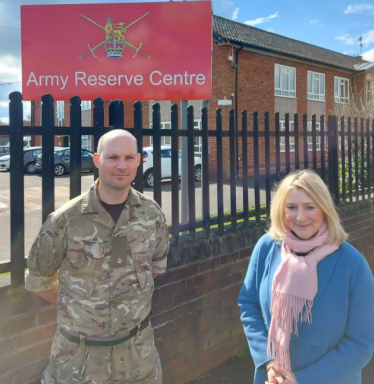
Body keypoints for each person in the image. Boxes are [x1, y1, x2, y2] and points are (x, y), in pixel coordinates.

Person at [25, 129, 170, 384]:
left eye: (128, 157)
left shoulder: (151, 214)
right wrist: (83, 308)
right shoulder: (64, 221)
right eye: (112, 157)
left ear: (138, 160)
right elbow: (39, 280)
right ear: (96, 160)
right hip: (79, 362)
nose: (121, 165)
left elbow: (154, 267)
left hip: (140, 357)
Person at [238, 169, 374, 384]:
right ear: (281, 210)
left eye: (310, 207)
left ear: (325, 209)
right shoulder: (266, 248)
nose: (300, 217)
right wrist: (269, 361)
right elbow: (248, 305)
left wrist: (300, 380)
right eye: (292, 207)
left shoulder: (353, 264)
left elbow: (361, 343)